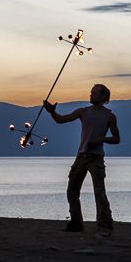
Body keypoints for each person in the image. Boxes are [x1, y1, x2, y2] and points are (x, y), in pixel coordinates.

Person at [44, 84, 121, 236]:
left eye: (94, 93)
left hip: (96, 158)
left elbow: (117, 139)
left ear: (103, 97)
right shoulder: (83, 112)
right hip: (81, 156)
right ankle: (76, 223)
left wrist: (101, 139)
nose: (91, 95)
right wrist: (52, 112)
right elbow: (61, 120)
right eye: (91, 93)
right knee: (72, 191)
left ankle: (105, 226)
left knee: (99, 192)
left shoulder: (109, 116)